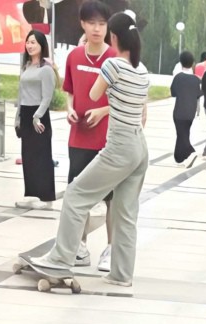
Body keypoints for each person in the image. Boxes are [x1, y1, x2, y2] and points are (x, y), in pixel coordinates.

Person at [26, 11, 149, 287]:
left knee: (75, 194)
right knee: (125, 213)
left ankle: (60, 260)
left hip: (119, 145)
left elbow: (93, 94)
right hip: (139, 146)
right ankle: (121, 274)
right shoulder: (142, 70)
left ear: (113, 36)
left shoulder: (113, 65)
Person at [63, 0, 116, 271]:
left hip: (108, 140)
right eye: (92, 23)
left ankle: (111, 249)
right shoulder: (74, 56)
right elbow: (69, 91)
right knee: (77, 194)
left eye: (102, 24)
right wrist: (70, 109)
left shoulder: (115, 59)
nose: (97, 29)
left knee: (112, 198)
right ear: (82, 24)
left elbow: (127, 99)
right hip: (79, 138)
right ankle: (79, 247)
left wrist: (103, 111)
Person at [15, 29, 56, 210]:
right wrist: (18, 117)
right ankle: (31, 194)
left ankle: (46, 198)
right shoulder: (26, 67)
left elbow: (47, 97)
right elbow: (20, 94)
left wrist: (37, 116)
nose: (30, 46)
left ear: (41, 45)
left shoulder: (46, 69)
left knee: (42, 156)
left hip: (39, 116)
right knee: (28, 156)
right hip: (25, 113)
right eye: (28, 42)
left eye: (34, 42)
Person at [170, 49, 199, 167]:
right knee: (183, 134)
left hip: (179, 111)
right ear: (192, 64)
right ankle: (179, 158)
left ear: (181, 63)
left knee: (182, 134)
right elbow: (198, 95)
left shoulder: (178, 77)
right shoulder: (196, 79)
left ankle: (191, 152)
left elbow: (173, 93)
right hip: (191, 112)